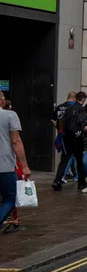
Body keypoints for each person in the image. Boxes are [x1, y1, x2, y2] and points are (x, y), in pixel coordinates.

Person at [0, 92, 30, 230]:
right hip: (4, 166)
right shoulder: (10, 115)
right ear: (2, 101)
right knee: (10, 199)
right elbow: (16, 141)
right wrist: (24, 166)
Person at [51, 92, 79, 187]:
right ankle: (65, 176)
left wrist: (59, 128)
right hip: (71, 136)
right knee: (70, 157)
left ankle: (64, 177)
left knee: (65, 157)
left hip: (61, 134)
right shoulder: (74, 108)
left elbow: (53, 119)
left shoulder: (59, 107)